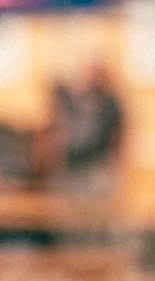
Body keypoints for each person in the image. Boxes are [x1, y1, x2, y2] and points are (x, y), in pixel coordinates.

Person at [49, 63, 124, 196]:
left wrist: (115, 166)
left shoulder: (111, 104)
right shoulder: (80, 100)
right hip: (73, 164)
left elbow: (118, 136)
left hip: (97, 165)